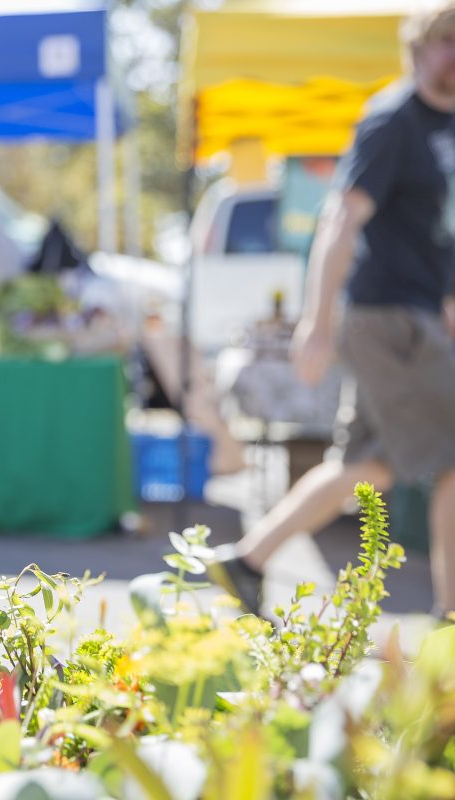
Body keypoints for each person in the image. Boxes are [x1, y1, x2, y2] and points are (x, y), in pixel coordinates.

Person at [209, 4, 455, 619]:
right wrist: (317, 324)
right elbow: (340, 219)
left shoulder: (443, 127)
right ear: (419, 48)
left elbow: (435, 235)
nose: (454, 54)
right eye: (446, 41)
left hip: (420, 315)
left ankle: (245, 561)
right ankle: (451, 619)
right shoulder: (393, 120)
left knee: (366, 465)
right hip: (387, 318)